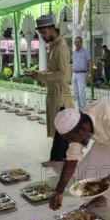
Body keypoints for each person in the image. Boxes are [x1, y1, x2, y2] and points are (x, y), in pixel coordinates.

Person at [28, 15, 74, 167]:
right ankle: (64, 155)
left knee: (60, 126)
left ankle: (56, 158)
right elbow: (53, 70)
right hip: (54, 93)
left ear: (52, 30)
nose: (42, 36)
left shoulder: (60, 47)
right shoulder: (54, 45)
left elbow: (63, 74)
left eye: (44, 33)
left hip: (60, 95)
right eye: (40, 33)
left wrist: (42, 75)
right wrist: (39, 73)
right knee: (62, 126)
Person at [71, 36, 92, 110]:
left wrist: (89, 75)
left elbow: (90, 64)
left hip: (82, 75)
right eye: (76, 41)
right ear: (74, 43)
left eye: (79, 41)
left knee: (81, 93)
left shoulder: (85, 52)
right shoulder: (73, 53)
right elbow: (73, 64)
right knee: (76, 94)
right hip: (74, 74)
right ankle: (80, 109)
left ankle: (84, 110)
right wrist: (71, 76)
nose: (77, 43)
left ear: (82, 42)